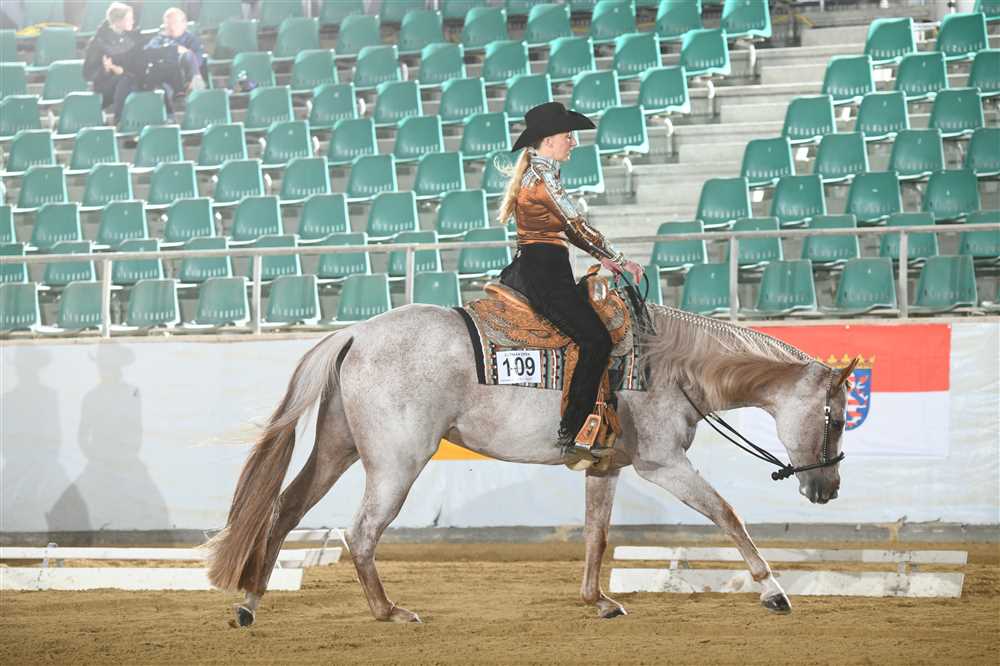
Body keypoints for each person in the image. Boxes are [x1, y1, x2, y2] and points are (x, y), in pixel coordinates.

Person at [497, 102, 644, 465]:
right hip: (544, 273)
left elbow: (570, 229)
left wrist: (604, 258)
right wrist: (619, 258)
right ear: (548, 140)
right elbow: (575, 224)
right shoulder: (543, 179)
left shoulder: (540, 173)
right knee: (596, 339)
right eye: (568, 136)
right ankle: (573, 430)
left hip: (545, 268)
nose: (573, 142)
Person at [83, 2, 146, 124]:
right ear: (118, 21)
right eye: (129, 19)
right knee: (126, 79)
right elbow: (88, 73)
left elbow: (139, 65)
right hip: (105, 86)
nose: (133, 21)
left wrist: (122, 71)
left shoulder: (135, 38)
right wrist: (106, 70)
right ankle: (120, 120)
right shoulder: (98, 42)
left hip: (131, 82)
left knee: (132, 80)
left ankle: (138, 121)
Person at [142, 6, 207, 109]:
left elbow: (198, 59)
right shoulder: (159, 39)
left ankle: (193, 89)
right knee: (163, 89)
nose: (171, 26)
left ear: (184, 24)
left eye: (175, 23)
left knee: (189, 55)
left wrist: (179, 56)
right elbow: (148, 52)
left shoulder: (191, 39)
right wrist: (173, 49)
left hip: (186, 77)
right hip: (165, 78)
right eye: (168, 23)